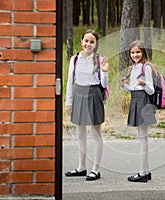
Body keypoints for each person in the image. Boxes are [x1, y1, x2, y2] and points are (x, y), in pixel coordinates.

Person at [64, 29, 109, 181]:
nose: (88, 44)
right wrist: (68, 103)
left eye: (92, 42)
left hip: (93, 94)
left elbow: (103, 84)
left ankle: (95, 169)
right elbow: (70, 82)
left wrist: (105, 71)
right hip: (79, 94)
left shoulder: (99, 59)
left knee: (96, 133)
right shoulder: (74, 59)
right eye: (86, 41)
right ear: (81, 41)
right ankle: (81, 167)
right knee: (80, 133)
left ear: (96, 44)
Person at [120, 40, 156, 182]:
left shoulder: (146, 67)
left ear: (143, 52)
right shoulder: (132, 68)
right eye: (133, 52)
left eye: (138, 52)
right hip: (136, 100)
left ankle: (142, 173)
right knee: (142, 138)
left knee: (143, 138)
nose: (135, 55)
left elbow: (151, 90)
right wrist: (125, 86)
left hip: (143, 102)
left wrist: (144, 83)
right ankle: (146, 172)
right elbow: (134, 89)